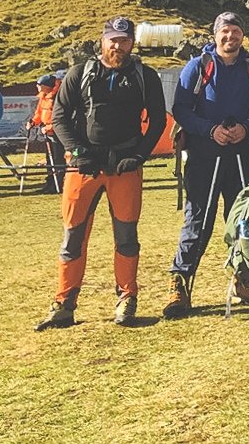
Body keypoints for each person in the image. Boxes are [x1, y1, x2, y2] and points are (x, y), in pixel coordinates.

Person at [36, 17, 165, 330]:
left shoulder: (145, 76)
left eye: (123, 40)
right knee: (72, 237)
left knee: (126, 237)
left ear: (132, 42)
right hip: (84, 167)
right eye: (112, 40)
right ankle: (64, 304)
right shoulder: (80, 73)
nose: (117, 46)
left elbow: (158, 121)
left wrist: (138, 155)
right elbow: (60, 117)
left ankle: (127, 299)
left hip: (124, 168)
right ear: (102, 40)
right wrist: (79, 153)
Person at [165, 12, 249, 317]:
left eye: (236, 31)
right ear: (215, 35)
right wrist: (209, 130)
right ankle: (180, 284)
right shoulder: (197, 67)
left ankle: (245, 280)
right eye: (225, 31)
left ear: (243, 35)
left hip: (242, 157)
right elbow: (181, 108)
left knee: (244, 220)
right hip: (204, 157)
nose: (231, 37)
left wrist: (247, 128)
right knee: (197, 222)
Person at [26, 73, 65, 194]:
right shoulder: (44, 96)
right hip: (47, 131)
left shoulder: (58, 97)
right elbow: (40, 112)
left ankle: (58, 183)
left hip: (57, 132)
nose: (37, 87)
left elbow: (62, 117)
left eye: (39, 84)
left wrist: (49, 127)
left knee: (58, 159)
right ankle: (49, 183)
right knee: (50, 159)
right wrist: (33, 122)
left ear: (47, 86)